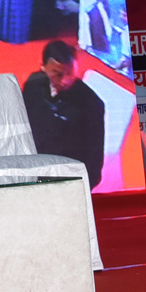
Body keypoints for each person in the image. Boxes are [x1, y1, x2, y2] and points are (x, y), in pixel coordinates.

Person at [22, 41, 106, 190]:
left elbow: (95, 157)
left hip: (68, 183)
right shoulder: (33, 86)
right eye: (58, 74)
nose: (66, 80)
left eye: (70, 72)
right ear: (43, 67)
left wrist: (82, 187)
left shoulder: (91, 104)